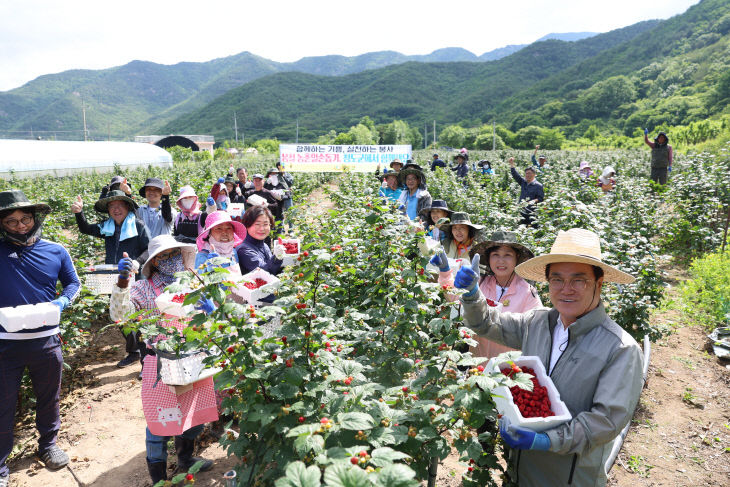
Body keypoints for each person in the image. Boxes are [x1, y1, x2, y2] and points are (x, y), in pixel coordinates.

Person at [453, 228, 643, 486]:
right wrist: (473, 295)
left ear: (599, 284)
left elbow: (606, 421)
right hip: (519, 469)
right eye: (556, 279)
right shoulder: (538, 322)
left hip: (565, 476)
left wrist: (545, 440)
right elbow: (488, 323)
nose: (566, 290)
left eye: (579, 280)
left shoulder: (620, 349)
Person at [109, 235, 215, 484]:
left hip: (194, 358)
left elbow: (210, 321)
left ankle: (185, 458)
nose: (171, 260)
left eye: (175, 254)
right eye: (164, 256)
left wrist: (212, 310)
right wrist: (123, 283)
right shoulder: (144, 288)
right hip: (160, 364)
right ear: (154, 262)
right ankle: (159, 478)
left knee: (192, 415)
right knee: (159, 422)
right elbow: (120, 315)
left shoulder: (193, 281)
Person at [0, 190, 80, 485]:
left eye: (25, 219)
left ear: (35, 218)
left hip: (46, 340)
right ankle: (0, 465)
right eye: (11, 221)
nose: (20, 226)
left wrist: (62, 302)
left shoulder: (56, 251)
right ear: (2, 224)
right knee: (2, 402)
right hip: (4, 343)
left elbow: (73, 282)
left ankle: (48, 446)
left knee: (49, 396)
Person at [71, 190, 150, 367]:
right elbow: (85, 228)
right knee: (119, 315)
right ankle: (134, 352)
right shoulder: (107, 227)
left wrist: (137, 262)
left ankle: (147, 361)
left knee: (138, 317)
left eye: (119, 205)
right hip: (113, 278)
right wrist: (79, 213)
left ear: (127, 207)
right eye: (111, 206)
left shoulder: (137, 225)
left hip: (136, 278)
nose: (115, 209)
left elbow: (149, 249)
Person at [468, 231, 542, 359]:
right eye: (495, 254)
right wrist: (445, 272)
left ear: (516, 258)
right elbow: (456, 301)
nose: (501, 261)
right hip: (477, 366)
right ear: (489, 258)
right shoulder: (479, 284)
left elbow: (536, 329)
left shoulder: (527, 293)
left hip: (508, 371)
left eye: (507, 255)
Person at [509, 157, 544, 226]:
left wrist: (533, 201)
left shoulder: (538, 185)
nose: (527, 175)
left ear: (534, 174)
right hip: (522, 210)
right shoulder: (523, 182)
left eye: (529, 173)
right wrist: (512, 164)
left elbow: (540, 198)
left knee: (532, 228)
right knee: (521, 227)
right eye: (526, 173)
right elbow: (515, 175)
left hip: (532, 212)